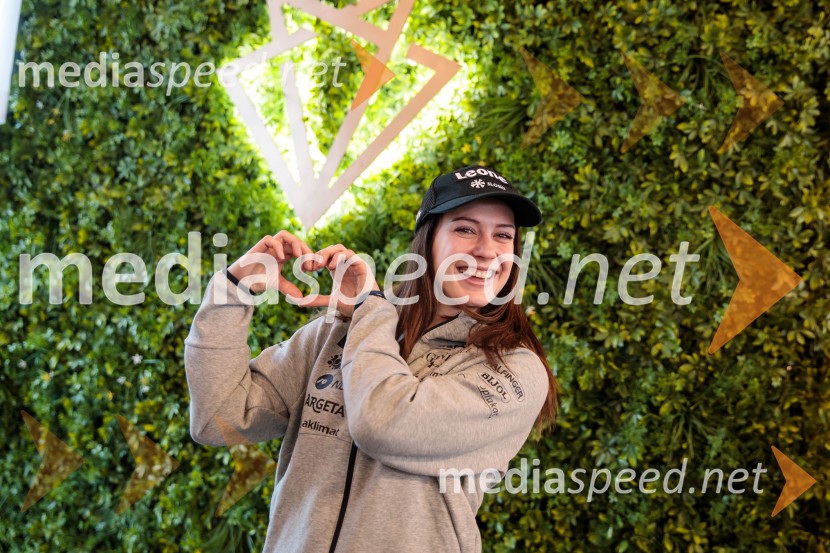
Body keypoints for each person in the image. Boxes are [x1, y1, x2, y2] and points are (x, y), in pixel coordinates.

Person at [184, 164, 559, 553]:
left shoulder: (515, 370)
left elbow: (383, 422)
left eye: (504, 235)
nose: (487, 250)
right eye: (465, 229)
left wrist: (371, 308)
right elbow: (219, 419)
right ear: (427, 241)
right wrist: (233, 289)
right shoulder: (343, 330)